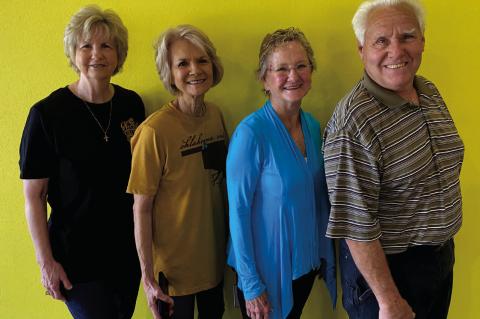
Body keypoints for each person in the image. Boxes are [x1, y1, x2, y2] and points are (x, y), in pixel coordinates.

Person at [323, 1, 464, 319]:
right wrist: (388, 300)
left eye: (407, 36)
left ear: (423, 41)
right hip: (388, 278)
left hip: (438, 260)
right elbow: (356, 225)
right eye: (381, 40)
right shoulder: (354, 122)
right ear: (362, 49)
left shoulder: (428, 91)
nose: (396, 50)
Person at [19, 5, 144, 319]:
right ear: (73, 52)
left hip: (126, 256)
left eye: (106, 45)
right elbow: (34, 197)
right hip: (76, 262)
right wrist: (46, 264)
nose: (96, 54)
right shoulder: (47, 114)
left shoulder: (132, 105)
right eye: (86, 45)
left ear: (119, 54)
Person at [227, 27, 336, 319]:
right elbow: (237, 212)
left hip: (304, 267)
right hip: (265, 275)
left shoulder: (312, 126)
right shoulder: (251, 134)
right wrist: (250, 285)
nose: (293, 75)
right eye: (282, 69)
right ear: (265, 79)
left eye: (301, 66)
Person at [127, 25, 228, 319]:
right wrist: (147, 279)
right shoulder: (153, 132)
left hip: (213, 266)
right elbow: (141, 209)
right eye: (182, 63)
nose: (195, 70)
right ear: (169, 73)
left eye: (202, 60)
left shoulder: (215, 116)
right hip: (172, 277)